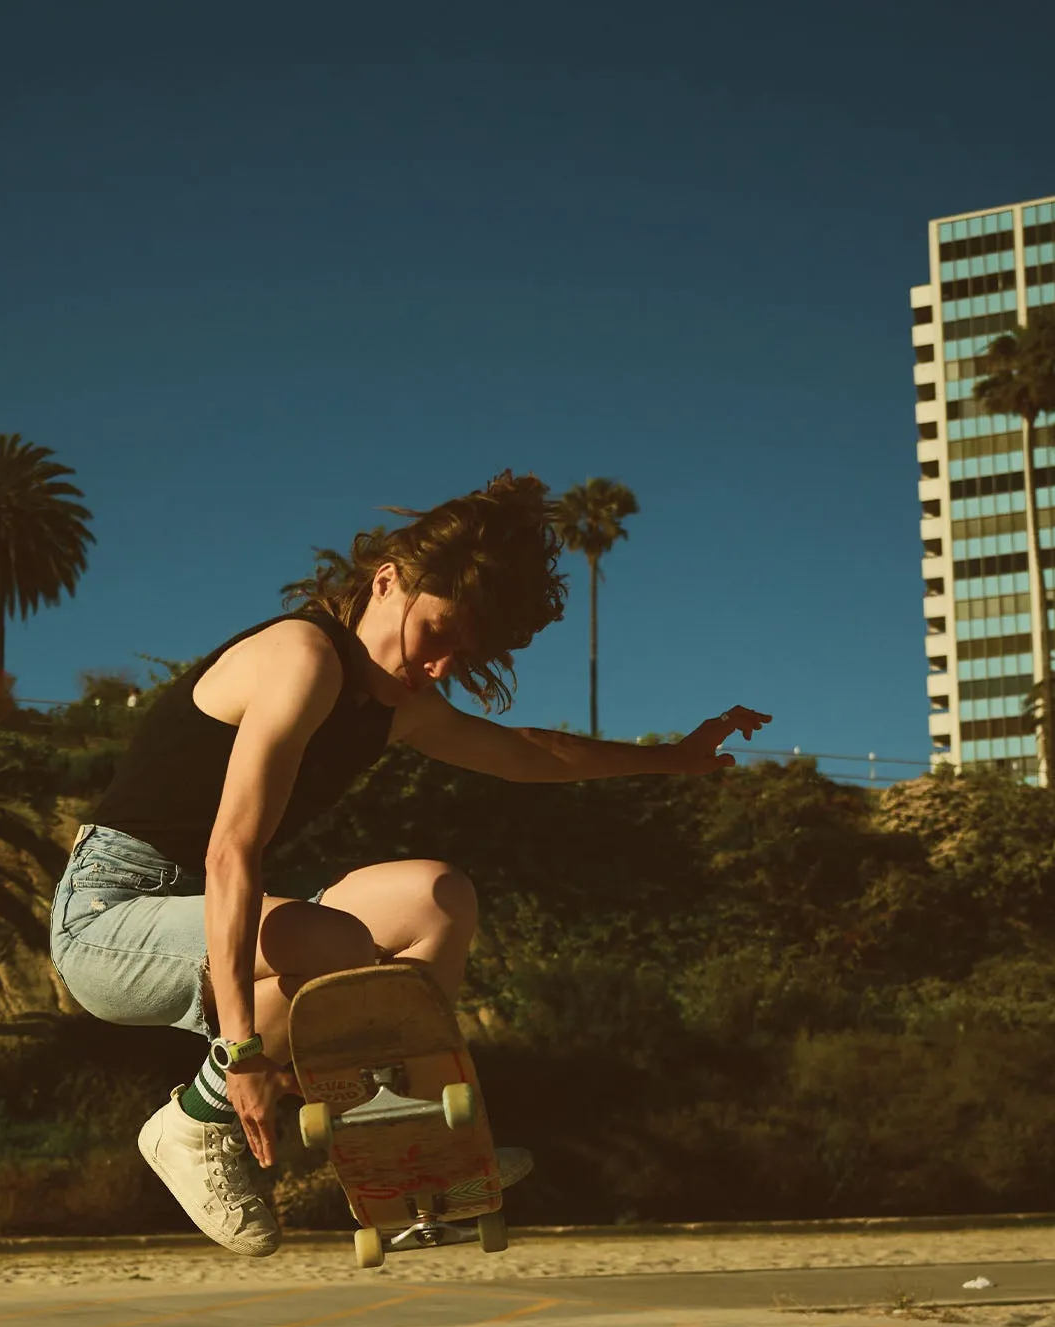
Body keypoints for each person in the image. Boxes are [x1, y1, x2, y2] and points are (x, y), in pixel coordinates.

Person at [47, 471, 770, 1256]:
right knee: (338, 946)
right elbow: (232, 853)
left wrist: (673, 760)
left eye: (463, 653)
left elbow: (529, 754)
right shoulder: (301, 658)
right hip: (108, 920)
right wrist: (246, 1053)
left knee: (437, 897)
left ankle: (415, 1140)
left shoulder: (398, 705)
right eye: (436, 634)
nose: (439, 669)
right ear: (386, 581)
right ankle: (195, 1121)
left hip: (209, 911)